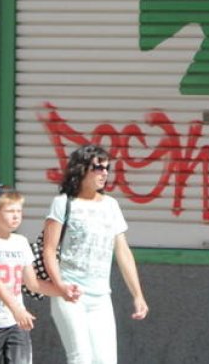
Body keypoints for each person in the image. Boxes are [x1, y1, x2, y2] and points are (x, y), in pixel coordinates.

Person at [41, 145, 148, 364]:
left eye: (107, 168)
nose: (105, 173)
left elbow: (123, 252)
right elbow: (49, 250)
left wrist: (137, 294)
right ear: (82, 169)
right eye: (98, 167)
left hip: (101, 297)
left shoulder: (111, 205)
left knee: (106, 360)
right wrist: (60, 285)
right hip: (71, 294)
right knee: (81, 358)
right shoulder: (63, 203)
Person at [0, 185, 78, 363]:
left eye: (19, 211)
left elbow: (32, 283)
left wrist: (63, 290)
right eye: (10, 211)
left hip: (15, 323)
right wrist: (17, 309)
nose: (16, 215)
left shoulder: (21, 242)